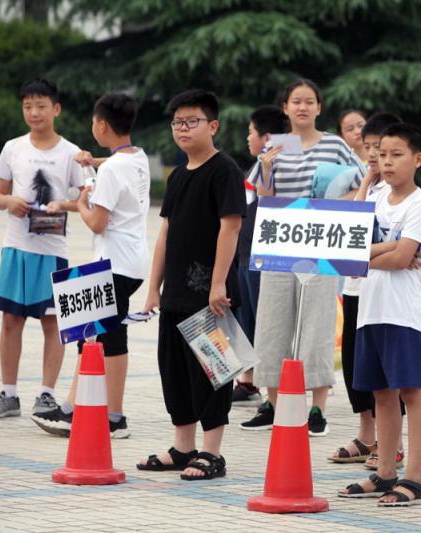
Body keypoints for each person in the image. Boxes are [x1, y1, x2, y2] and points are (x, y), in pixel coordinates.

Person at [241, 79, 364, 435]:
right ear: (285, 108)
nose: (303, 107)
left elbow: (360, 188)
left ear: (319, 108)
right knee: (271, 322)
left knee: (318, 325)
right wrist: (265, 167)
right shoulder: (277, 147)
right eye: (296, 101)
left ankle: (317, 409)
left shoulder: (336, 146)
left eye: (309, 101)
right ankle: (276, 404)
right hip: (280, 247)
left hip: (321, 246)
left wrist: (325, 208)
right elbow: (263, 198)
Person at [137, 89, 245, 480]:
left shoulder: (225, 170)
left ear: (212, 125)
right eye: (177, 123)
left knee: (213, 371)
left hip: (211, 294)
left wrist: (218, 283)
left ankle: (211, 454)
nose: (183, 129)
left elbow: (230, 227)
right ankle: (183, 448)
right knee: (176, 370)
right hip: (176, 294)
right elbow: (165, 232)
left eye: (192, 121)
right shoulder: (179, 174)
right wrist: (154, 288)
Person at [31, 93, 150, 439]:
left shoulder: (112, 168)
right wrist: (92, 161)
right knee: (90, 333)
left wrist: (80, 205)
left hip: (113, 262)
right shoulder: (136, 157)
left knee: (107, 337)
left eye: (93, 123)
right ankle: (75, 407)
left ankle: (113, 417)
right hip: (130, 261)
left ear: (102, 125)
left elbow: (97, 223)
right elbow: (114, 168)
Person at [338, 123, 421, 506]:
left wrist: (378, 252)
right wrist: (388, 248)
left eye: (397, 155)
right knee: (382, 393)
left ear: (418, 159)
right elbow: (352, 243)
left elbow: (401, 258)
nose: (387, 161)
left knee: (411, 392)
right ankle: (385, 475)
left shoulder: (420, 204)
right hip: (369, 310)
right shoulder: (377, 198)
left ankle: (413, 480)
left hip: (402, 314)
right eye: (382, 154)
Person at [0, 79, 83, 419]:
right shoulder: (13, 148)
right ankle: (9, 394)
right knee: (10, 319)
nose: (34, 112)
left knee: (51, 321)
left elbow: (86, 199)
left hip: (52, 249)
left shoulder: (71, 152)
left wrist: (61, 205)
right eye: (27, 106)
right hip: (15, 247)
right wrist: (9, 201)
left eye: (41, 106)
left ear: (56, 109)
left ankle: (46, 394)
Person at [330, 112, 405, 466]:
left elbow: (400, 248)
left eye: (381, 148)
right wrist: (364, 184)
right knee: (354, 366)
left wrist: (373, 252)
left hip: (384, 293)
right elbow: (352, 228)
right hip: (355, 286)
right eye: (370, 147)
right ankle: (366, 435)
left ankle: (392, 444)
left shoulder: (399, 192)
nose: (375, 155)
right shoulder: (370, 185)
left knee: (386, 371)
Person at [231, 105, 290, 405]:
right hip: (246, 252)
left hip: (260, 254)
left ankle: (265, 387)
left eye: (250, 132)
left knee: (260, 320)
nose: (247, 138)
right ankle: (249, 381)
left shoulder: (279, 164)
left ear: (266, 136)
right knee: (247, 317)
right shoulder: (258, 165)